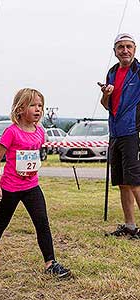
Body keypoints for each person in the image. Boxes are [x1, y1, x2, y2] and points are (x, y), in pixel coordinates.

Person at [0, 88, 71, 278]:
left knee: (42, 223)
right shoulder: (11, 132)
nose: (38, 109)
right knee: (1, 222)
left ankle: (50, 263)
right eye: (33, 105)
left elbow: (34, 155)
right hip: (10, 188)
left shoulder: (40, 131)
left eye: (40, 105)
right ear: (20, 109)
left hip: (31, 187)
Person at [100, 33, 140, 238]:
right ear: (115, 51)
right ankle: (130, 227)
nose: (125, 50)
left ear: (134, 49)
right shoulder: (112, 72)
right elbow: (106, 105)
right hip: (115, 133)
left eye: (128, 46)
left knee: (135, 181)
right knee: (123, 182)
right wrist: (106, 94)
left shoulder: (138, 72)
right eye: (120, 47)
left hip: (133, 132)